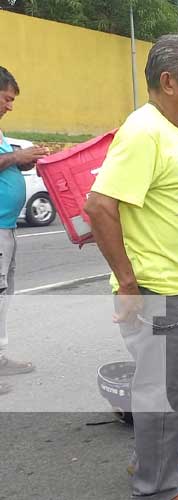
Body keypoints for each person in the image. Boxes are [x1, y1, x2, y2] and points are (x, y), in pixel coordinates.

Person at [84, 35, 178, 500]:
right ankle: (157, 488)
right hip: (155, 289)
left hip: (177, 285)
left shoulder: (176, 131)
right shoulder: (143, 131)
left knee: (172, 391)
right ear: (168, 81)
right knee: (164, 394)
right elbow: (99, 206)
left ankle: (157, 456)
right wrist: (128, 283)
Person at [0, 66, 49, 396]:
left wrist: (23, 162)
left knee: (4, 296)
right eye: (6, 98)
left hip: (6, 228)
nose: (10, 106)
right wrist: (18, 155)